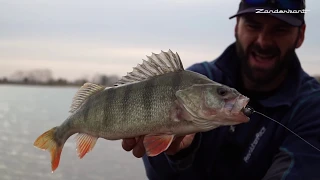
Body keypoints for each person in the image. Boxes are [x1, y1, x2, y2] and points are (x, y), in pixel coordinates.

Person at [122, 0, 320, 179]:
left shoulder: (313, 108)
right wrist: (179, 154)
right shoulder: (195, 79)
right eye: (253, 25)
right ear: (236, 27)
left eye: (280, 30)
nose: (263, 41)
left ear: (300, 35)